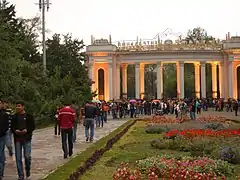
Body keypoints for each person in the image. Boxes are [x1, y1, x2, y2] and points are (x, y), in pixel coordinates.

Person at [11, 101, 35, 180]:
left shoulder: (29, 116)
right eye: (16, 106)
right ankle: (20, 175)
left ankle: (27, 169)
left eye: (19, 106)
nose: (17, 107)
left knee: (27, 157)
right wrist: (15, 131)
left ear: (23, 107)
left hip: (26, 139)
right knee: (18, 158)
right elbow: (12, 127)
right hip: (17, 139)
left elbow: (33, 127)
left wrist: (27, 130)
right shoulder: (14, 117)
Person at [0, 100, 9, 180]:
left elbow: (5, 127)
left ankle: (0, 173)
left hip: (1, 136)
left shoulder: (4, 115)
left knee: (0, 154)